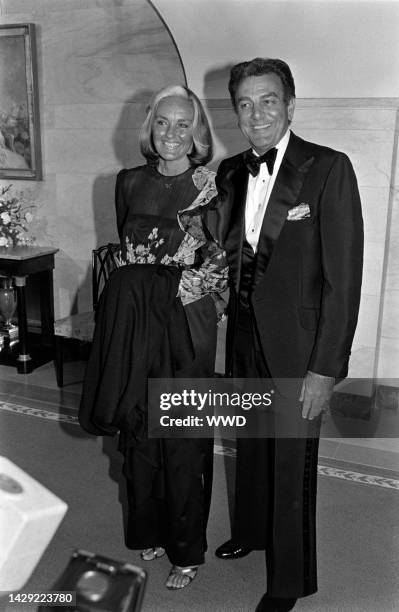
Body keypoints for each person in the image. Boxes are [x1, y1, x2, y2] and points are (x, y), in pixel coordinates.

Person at [204, 58, 363, 611]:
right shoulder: (228, 173)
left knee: (291, 463)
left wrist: (325, 368)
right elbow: (225, 254)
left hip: (299, 349)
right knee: (250, 447)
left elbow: (343, 281)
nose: (256, 114)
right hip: (244, 337)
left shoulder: (327, 168)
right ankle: (250, 530)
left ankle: (289, 581)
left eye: (267, 100)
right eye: (244, 104)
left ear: (290, 105)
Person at [79, 84, 228, 590]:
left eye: (183, 124)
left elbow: (218, 270)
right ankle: (151, 528)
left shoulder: (212, 187)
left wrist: (162, 282)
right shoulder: (127, 182)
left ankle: (187, 550)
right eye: (162, 122)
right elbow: (125, 249)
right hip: (136, 325)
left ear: (197, 132)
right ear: (149, 126)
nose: (171, 133)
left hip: (185, 328)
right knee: (139, 430)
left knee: (183, 439)